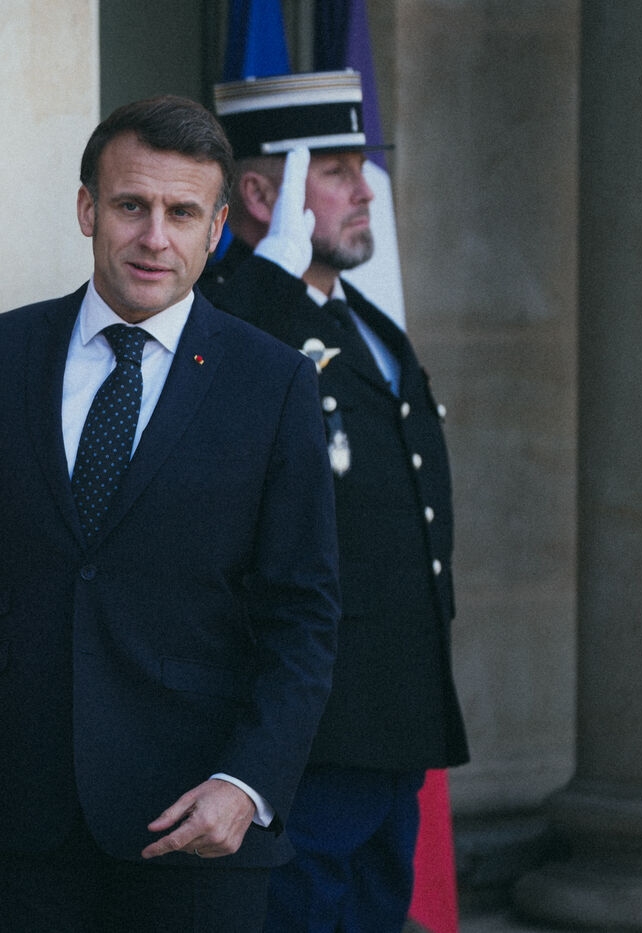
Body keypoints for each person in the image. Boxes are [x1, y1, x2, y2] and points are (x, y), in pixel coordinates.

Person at [0, 95, 340, 932]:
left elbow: (304, 612)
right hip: (26, 809)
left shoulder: (274, 383)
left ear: (217, 227)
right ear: (88, 209)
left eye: (182, 213)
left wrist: (248, 783)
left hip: (197, 817)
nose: (155, 237)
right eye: (131, 206)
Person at [201, 71, 470, 932]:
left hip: (392, 713)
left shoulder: (367, 325)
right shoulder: (235, 319)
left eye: (363, 168)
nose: (366, 192)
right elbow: (203, 402)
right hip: (310, 727)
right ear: (261, 196)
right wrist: (269, 279)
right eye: (338, 171)